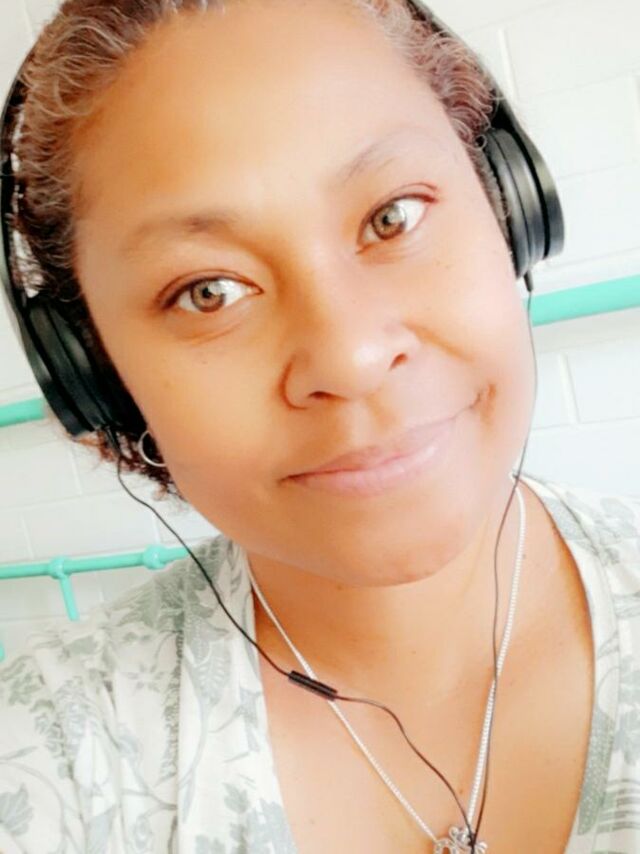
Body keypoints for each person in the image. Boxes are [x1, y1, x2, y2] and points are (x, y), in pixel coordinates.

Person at [0, 0, 639, 852]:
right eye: (207, 291)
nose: (350, 357)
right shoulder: (45, 753)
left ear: (508, 212)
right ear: (99, 379)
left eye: (393, 216)